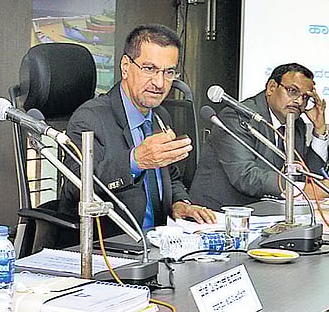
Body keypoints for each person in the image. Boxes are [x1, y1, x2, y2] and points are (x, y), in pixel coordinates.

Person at [58, 24, 215, 237]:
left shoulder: (161, 116)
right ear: (125, 66)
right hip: (108, 246)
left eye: (169, 72)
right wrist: (135, 161)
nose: (159, 83)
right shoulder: (90, 118)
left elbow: (171, 176)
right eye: (149, 69)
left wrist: (179, 202)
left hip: (160, 243)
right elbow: (75, 187)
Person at [190, 63, 329, 209]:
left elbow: (310, 176)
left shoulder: (296, 124)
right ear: (271, 88)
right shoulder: (238, 117)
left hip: (267, 211)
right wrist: (301, 190)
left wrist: (319, 129)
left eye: (306, 98)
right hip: (220, 214)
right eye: (293, 91)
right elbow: (246, 176)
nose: (299, 101)